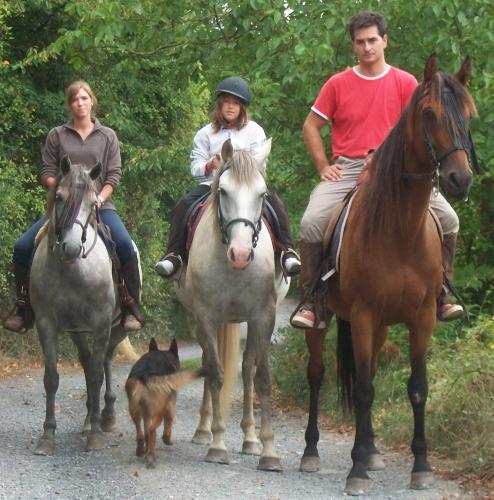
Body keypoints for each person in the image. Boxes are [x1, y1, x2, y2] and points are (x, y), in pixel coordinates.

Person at [291, 11, 464, 330]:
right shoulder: (337, 83)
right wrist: (323, 166)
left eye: (373, 40)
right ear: (353, 46)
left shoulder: (406, 82)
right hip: (348, 166)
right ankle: (313, 301)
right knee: (312, 222)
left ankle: (442, 292)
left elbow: (415, 131)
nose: (367, 47)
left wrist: (384, 158)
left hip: (398, 168)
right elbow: (311, 126)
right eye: (360, 42)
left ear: (385, 41)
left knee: (449, 219)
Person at [3, 80, 144, 333]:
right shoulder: (57, 135)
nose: (80, 103)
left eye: (84, 98)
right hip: (64, 207)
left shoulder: (107, 136)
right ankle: (24, 306)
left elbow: (113, 175)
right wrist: (62, 190)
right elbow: (47, 171)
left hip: (100, 206)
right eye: (75, 99)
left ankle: (130, 305)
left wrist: (99, 198)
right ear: (70, 105)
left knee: (123, 245)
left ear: (92, 101)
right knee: (23, 246)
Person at [155, 76, 301, 279]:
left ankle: (287, 252)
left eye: (235, 103)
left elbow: (260, 163)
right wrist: (209, 165)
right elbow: (195, 167)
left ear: (242, 107)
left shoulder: (255, 131)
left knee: (276, 204)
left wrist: (240, 164)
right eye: (226, 102)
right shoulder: (205, 134)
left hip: (247, 185)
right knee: (184, 204)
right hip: (212, 185)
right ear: (219, 105)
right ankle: (174, 255)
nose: (230, 107)